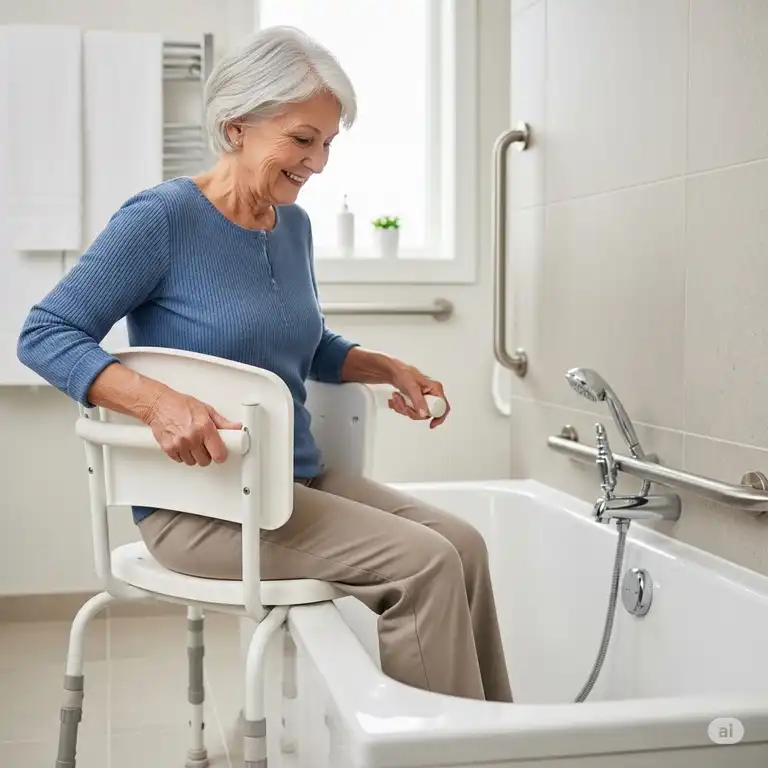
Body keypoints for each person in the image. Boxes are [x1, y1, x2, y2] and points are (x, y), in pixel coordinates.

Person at [16, 25, 512, 703]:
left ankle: (491, 738)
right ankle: (435, 747)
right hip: (202, 506)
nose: (319, 163)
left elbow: (297, 344)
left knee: (465, 546)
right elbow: (46, 332)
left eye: (330, 143)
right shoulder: (161, 220)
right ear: (236, 127)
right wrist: (158, 403)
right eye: (303, 139)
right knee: (423, 565)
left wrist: (379, 365)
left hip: (293, 481)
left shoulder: (293, 226)